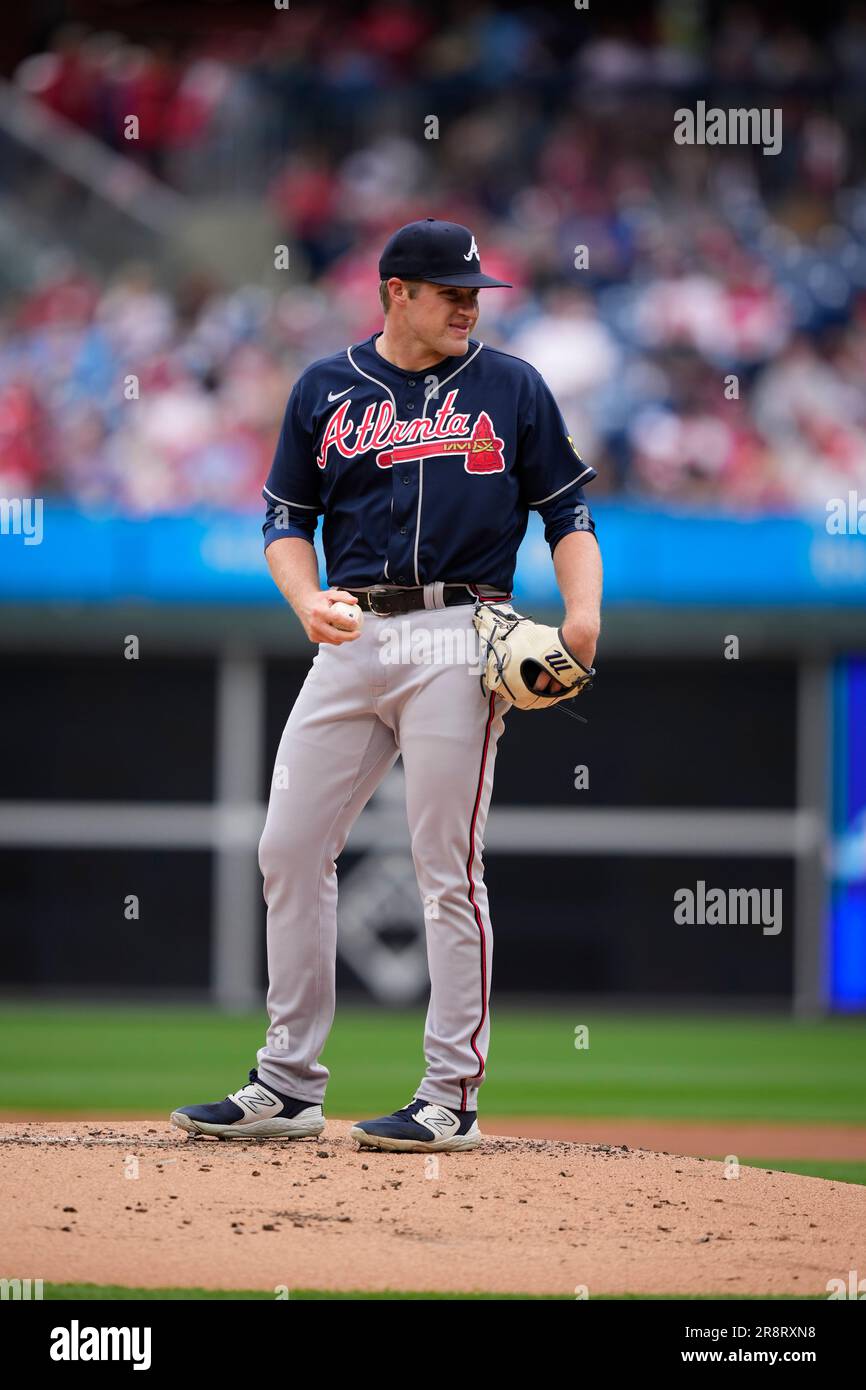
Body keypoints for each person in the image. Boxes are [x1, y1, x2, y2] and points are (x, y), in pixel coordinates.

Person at [171, 218, 602, 1153]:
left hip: (459, 631)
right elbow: (285, 519)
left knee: (444, 866)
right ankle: (288, 1084)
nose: (466, 304)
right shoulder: (326, 388)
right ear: (395, 292)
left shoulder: (511, 386)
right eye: (449, 290)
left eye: (474, 292)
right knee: (287, 848)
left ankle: (451, 1095)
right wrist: (301, 599)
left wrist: (582, 615)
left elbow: (566, 509)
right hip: (354, 631)